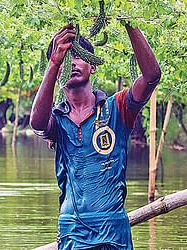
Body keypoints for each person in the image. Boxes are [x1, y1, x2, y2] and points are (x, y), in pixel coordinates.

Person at [31, 23, 161, 249]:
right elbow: (37, 124)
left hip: (113, 231)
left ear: (92, 66)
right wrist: (53, 62)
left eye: (78, 57)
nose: (71, 63)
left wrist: (128, 21)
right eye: (65, 59)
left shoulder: (118, 108)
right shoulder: (57, 119)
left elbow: (151, 77)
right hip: (72, 232)